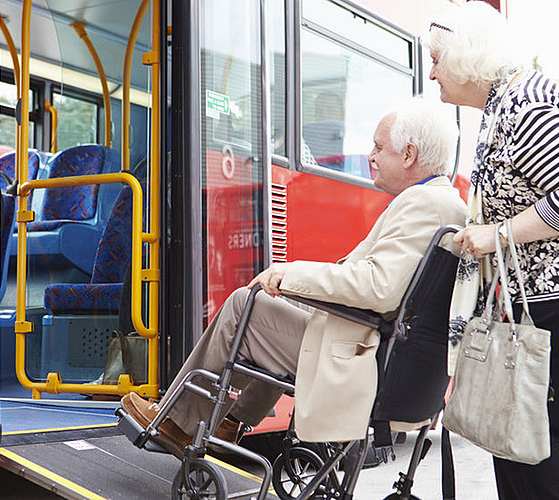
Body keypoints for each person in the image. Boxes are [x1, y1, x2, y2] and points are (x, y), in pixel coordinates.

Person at [121, 97, 466, 458]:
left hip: (366, 362)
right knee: (273, 308)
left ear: (409, 154)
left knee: (246, 305)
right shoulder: (445, 203)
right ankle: (229, 423)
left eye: (379, 147)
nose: (371, 156)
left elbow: (378, 288)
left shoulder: (423, 203)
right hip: (388, 356)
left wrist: (291, 273)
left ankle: (178, 424)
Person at [428, 2, 559, 499]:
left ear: (466, 57)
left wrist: (498, 235)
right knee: (510, 440)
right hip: (534, 303)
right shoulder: (503, 104)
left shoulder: (529, 105)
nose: (431, 72)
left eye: (437, 59)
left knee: (530, 445)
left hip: (558, 304)